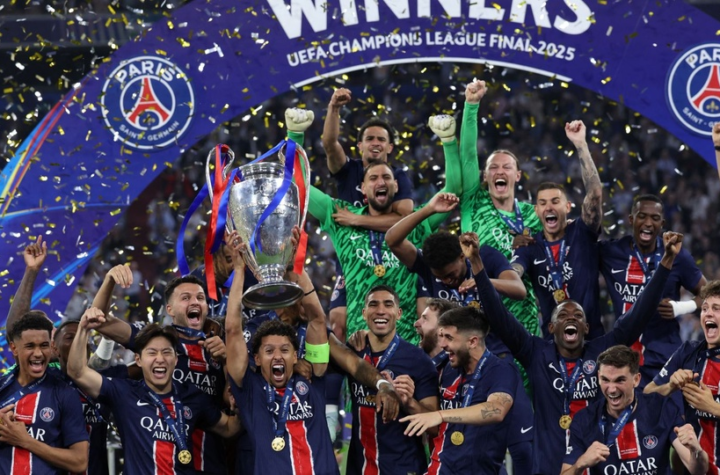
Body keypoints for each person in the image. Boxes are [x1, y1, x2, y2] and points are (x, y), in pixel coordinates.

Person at [468, 229, 682, 475]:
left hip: (597, 465)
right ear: (551, 328)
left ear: (586, 328)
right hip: (548, 468)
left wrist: (666, 261)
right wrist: (477, 264)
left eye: (578, 315)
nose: (571, 318)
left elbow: (640, 312)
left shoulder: (602, 351)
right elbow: (499, 316)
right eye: (563, 315)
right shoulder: (535, 353)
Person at [90, 269, 229, 474]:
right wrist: (109, 278)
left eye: (200, 298)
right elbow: (100, 321)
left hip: (212, 460)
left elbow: (237, 399)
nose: (194, 302)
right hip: (163, 459)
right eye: (186, 298)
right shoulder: (154, 342)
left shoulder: (221, 345)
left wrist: (227, 360)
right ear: (170, 309)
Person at [67, 311, 240, 475]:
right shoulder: (123, 393)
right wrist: (83, 328)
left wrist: (239, 403)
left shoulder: (193, 396)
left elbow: (229, 428)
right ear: (138, 360)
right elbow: (77, 372)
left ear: (175, 359)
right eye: (152, 353)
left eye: (166, 352)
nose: (160, 359)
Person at [224, 235, 338, 475]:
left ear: (296, 356)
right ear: (256, 359)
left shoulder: (313, 377)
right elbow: (233, 330)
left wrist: (298, 266)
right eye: (269, 351)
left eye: (285, 350)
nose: (277, 356)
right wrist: (239, 270)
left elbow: (317, 319)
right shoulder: (250, 391)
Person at [308, 160, 438, 344]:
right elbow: (300, 185)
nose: (381, 182)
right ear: (363, 188)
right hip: (359, 347)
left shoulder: (416, 221)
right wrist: (293, 144)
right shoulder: (341, 214)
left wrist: (449, 143)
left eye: (386, 177)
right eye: (373, 178)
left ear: (396, 186)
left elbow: (455, 189)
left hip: (406, 346)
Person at [455, 79, 542, 338]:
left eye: (506, 167)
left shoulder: (533, 214)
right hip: (480, 323)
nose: (499, 171)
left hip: (524, 322)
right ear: (485, 176)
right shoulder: (474, 201)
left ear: (518, 176)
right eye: (493, 167)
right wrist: (471, 106)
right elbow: (468, 155)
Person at [407, 297, 536, 473]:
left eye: (449, 338)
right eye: (442, 337)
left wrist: (441, 415)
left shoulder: (500, 370)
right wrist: (407, 399)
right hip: (440, 469)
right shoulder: (446, 369)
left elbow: (496, 410)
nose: (443, 344)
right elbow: (431, 421)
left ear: (473, 341)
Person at [599, 194, 707, 385]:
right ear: (631, 219)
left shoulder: (676, 255)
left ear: (662, 223)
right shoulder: (611, 252)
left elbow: (710, 293)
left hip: (664, 359)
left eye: (655, 218)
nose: (648, 223)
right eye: (642, 216)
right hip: (623, 361)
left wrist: (681, 307)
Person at [511, 120, 604, 339]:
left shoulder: (581, 232)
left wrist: (581, 144)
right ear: (537, 210)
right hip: (552, 345)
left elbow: (595, 194)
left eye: (555, 201)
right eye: (543, 203)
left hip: (592, 341)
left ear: (568, 207)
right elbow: (514, 272)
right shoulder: (530, 246)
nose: (549, 207)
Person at [562, 345, 708, 474]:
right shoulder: (584, 420)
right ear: (599, 378)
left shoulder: (661, 408)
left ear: (636, 380)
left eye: (620, 380)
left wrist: (696, 450)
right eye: (605, 380)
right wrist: (580, 463)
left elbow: (698, 470)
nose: (612, 389)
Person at [344, 285, 438, 475]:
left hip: (403, 468)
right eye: (373, 304)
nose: (381, 310)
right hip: (359, 468)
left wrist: (408, 402)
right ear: (364, 313)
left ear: (399, 313)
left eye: (388, 304)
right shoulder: (353, 352)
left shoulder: (418, 360)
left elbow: (435, 427)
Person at [644, 280, 720, 471]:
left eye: (716, 309)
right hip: (695, 468)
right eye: (705, 308)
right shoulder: (688, 352)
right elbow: (647, 395)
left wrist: (713, 408)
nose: (708, 313)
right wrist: (670, 386)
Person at [0, 311, 89, 474]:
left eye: (44, 345)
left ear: (51, 346)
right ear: (14, 348)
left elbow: (79, 462)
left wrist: (25, 440)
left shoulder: (65, 393)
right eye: (30, 346)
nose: (38, 353)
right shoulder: (2, 388)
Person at [52, 317, 129, 475]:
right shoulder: (46, 381)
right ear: (55, 348)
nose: (78, 343)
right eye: (70, 338)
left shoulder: (104, 381)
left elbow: (145, 366)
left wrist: (112, 333)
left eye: (83, 338)